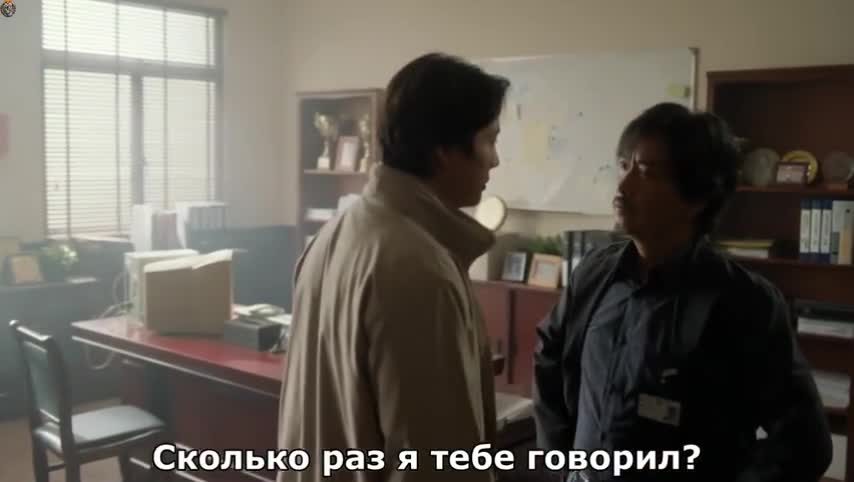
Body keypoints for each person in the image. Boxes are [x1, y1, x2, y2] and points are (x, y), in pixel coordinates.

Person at [532, 103, 832, 482]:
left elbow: (805, 443)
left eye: (646, 172)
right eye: (624, 166)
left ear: (697, 197)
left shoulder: (744, 303)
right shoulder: (594, 273)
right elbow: (550, 352)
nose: (623, 186)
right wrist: (559, 460)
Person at [277, 52, 510, 482]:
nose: (494, 160)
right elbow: (434, 463)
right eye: (488, 141)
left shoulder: (334, 233)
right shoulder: (420, 269)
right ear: (444, 151)